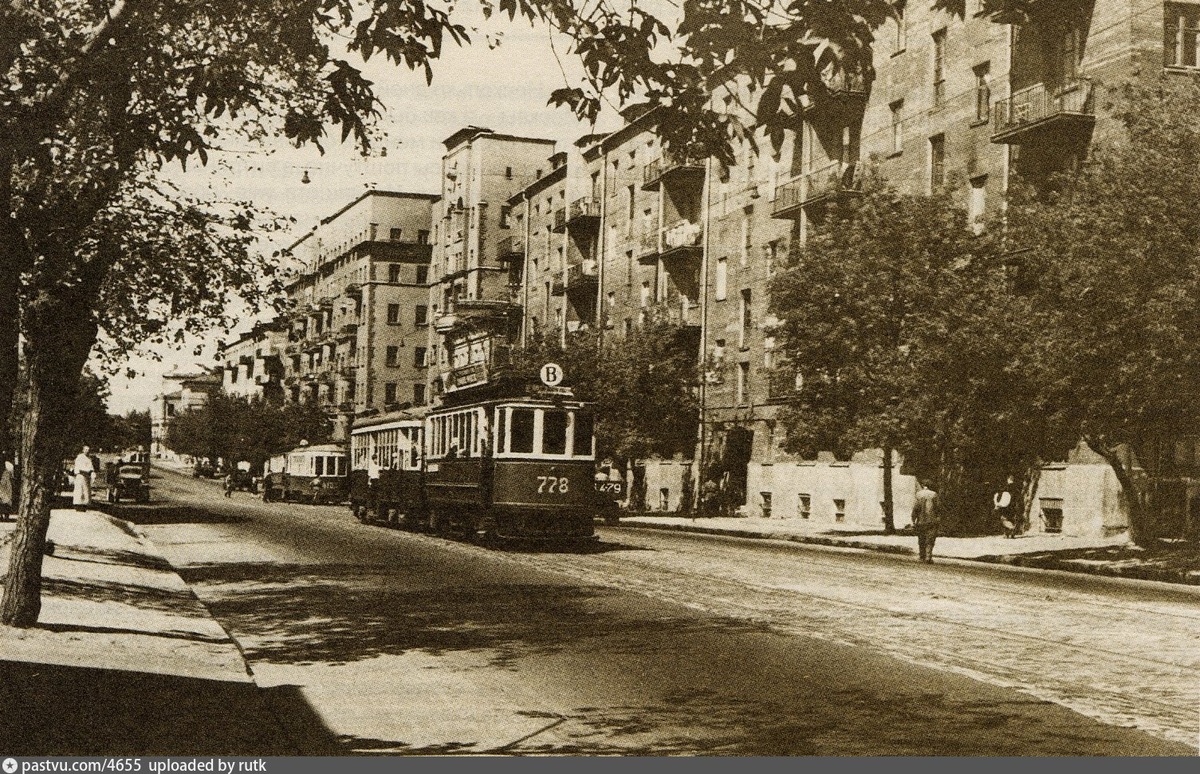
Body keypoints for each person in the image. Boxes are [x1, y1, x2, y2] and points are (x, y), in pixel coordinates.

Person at [910, 479, 940, 563]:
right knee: (930, 539)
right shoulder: (934, 494)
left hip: (921, 520)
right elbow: (937, 508)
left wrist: (913, 518)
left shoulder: (918, 494)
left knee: (921, 538)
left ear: (923, 485)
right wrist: (938, 518)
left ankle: (921, 557)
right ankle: (928, 557)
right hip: (932, 520)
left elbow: (916, 507)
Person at [72, 445, 95, 510]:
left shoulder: (89, 459)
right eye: (86, 450)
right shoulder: (79, 458)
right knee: (79, 491)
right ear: (83, 450)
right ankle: (78, 505)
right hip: (80, 476)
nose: (87, 451)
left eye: (88, 450)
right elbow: (79, 468)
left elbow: (91, 468)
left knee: (86, 491)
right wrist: (87, 470)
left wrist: (92, 473)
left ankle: (85, 505)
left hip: (86, 477)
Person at [0, 455, 14, 521]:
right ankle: (4, 515)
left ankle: (5, 515)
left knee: (5, 501)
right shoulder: (7, 471)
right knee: (5, 501)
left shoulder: (6, 472)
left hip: (5, 487)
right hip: (5, 487)